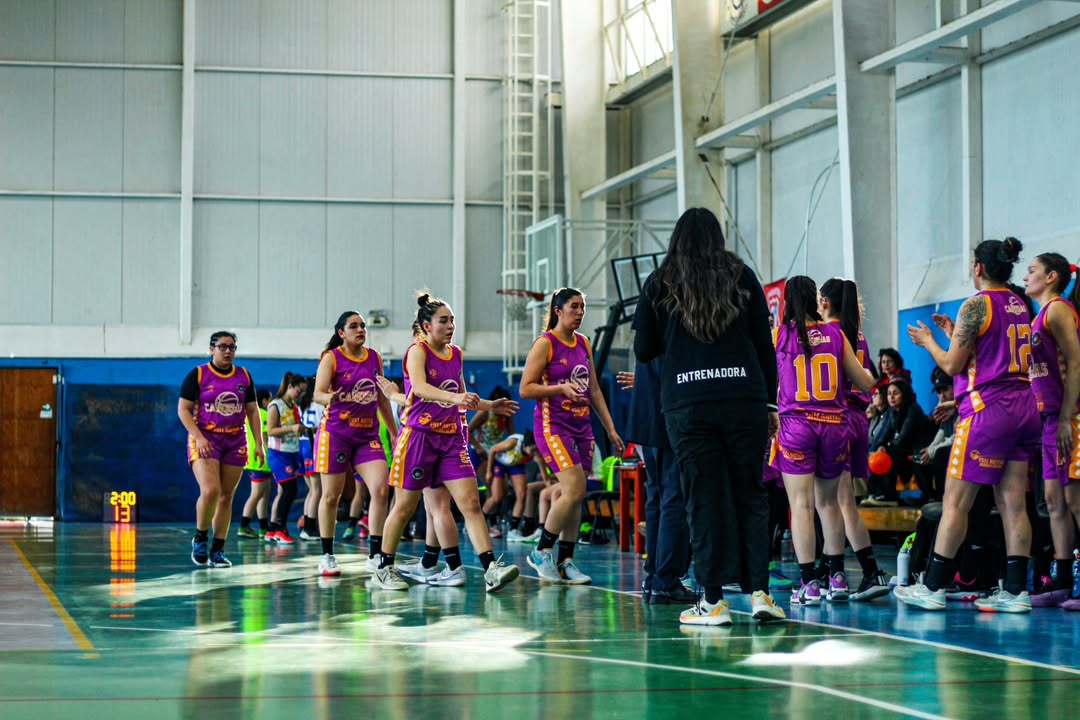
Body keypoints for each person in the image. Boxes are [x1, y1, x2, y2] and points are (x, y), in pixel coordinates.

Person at [633, 207, 787, 626]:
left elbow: (644, 349)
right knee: (751, 495)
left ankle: (714, 601)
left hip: (688, 403)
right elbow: (764, 344)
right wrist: (770, 405)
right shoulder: (742, 276)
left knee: (703, 499)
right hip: (744, 398)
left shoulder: (660, 282)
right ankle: (760, 594)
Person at [900, 237, 1040, 613]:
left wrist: (929, 341)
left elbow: (951, 365)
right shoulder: (1020, 304)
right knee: (1013, 504)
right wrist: (953, 334)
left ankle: (932, 586)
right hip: (1023, 406)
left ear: (977, 267)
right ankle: (1016, 591)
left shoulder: (975, 305)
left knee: (955, 503)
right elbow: (991, 354)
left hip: (987, 411)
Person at [372, 292, 520, 593]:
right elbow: (421, 388)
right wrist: (455, 398)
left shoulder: (456, 354)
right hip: (419, 437)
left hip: (451, 439)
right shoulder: (418, 351)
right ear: (427, 326)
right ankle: (384, 569)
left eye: (452, 320)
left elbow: (464, 396)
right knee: (404, 506)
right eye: (444, 320)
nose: (451, 325)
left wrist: (489, 406)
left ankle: (491, 569)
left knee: (471, 504)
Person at [771, 276, 876, 607]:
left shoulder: (779, 335)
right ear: (815, 301)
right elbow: (867, 383)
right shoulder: (836, 334)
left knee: (801, 506)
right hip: (833, 425)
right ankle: (838, 577)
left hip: (797, 425)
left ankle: (808, 584)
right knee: (830, 504)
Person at [521, 287, 625, 587]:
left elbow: (594, 390)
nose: (580, 312)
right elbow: (526, 388)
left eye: (583, 307)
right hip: (553, 427)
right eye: (574, 307)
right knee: (574, 487)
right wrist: (559, 388)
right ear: (558, 310)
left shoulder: (583, 343)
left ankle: (566, 561)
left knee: (576, 494)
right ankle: (542, 551)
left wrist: (610, 428)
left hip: (583, 428)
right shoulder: (545, 343)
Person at [817, 277, 890, 600]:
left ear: (824, 303)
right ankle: (828, 569)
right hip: (859, 417)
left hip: (840, 416)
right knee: (839, 502)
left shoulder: (828, 333)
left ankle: (868, 572)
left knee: (837, 503)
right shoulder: (856, 332)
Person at [311, 311, 399, 577]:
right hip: (336, 434)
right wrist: (329, 398)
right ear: (342, 333)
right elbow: (317, 393)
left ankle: (375, 553)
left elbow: (382, 399)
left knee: (381, 490)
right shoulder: (331, 358)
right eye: (354, 326)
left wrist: (394, 432)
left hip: (367, 436)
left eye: (362, 326)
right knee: (331, 496)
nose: (361, 329)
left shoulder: (374, 358)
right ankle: (327, 555)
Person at [177, 331, 263, 568]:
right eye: (223, 346)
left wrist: (259, 444)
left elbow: (253, 411)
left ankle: (218, 549)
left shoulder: (244, 376)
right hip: (206, 439)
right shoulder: (198, 374)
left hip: (235, 441)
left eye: (232, 347)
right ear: (211, 349)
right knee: (211, 490)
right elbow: (183, 409)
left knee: (226, 496)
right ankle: (200, 538)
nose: (228, 351)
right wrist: (199, 437)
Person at [1023, 253, 1080, 609]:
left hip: (1069, 416)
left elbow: (1076, 363)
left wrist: (1066, 417)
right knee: (1054, 501)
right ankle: (1061, 581)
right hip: (1048, 419)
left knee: (1075, 500)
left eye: (1032, 270)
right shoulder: (1037, 317)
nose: (1025, 276)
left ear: (1052, 277)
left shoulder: (1057, 310)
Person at [617, 364, 695, 605]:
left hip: (646, 419)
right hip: (669, 417)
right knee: (673, 498)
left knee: (657, 498)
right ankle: (665, 580)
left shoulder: (647, 342)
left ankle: (654, 577)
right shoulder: (674, 338)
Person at [865, 378, 931, 506]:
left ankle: (888, 496)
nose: (891, 397)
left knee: (888, 454)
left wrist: (886, 447)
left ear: (904, 394)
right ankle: (874, 494)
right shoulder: (892, 411)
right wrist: (881, 445)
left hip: (918, 452)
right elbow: (886, 434)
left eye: (895, 393)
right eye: (889, 393)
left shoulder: (913, 410)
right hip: (905, 452)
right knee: (879, 453)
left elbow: (903, 438)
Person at [263, 373, 309, 545]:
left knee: (283, 492)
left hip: (292, 452)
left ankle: (272, 528)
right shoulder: (275, 405)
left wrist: (303, 428)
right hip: (279, 453)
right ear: (290, 387)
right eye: (299, 390)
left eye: (303, 392)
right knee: (290, 490)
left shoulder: (293, 406)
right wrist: (292, 428)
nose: (300, 395)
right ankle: (281, 528)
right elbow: (271, 431)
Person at [484, 429, 538, 541]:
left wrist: (547, 481)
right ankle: (480, 521)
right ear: (525, 446)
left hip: (515, 464)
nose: (534, 453)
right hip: (500, 463)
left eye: (536, 450)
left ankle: (513, 530)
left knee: (522, 495)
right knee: (497, 497)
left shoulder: (536, 452)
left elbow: (543, 469)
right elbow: (493, 450)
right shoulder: (513, 443)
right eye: (532, 450)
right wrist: (489, 471)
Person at [237, 389, 272, 539]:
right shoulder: (262, 414)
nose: (270, 402)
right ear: (264, 401)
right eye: (269, 399)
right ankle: (244, 526)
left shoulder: (248, 415)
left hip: (255, 459)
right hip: (260, 459)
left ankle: (263, 527)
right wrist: (274, 451)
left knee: (265, 493)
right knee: (256, 494)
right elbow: (264, 438)